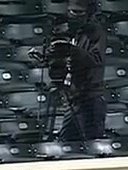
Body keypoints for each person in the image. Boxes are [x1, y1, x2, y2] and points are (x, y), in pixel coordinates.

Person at [47, 0, 105, 140]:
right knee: (66, 141)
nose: (74, 16)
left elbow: (95, 60)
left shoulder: (96, 33)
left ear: (88, 13)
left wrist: (73, 51)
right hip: (72, 97)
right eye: (71, 11)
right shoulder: (70, 32)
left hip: (90, 98)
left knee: (90, 141)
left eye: (79, 12)